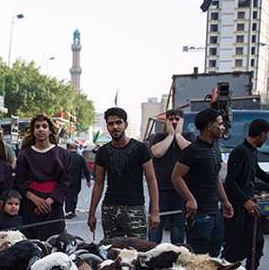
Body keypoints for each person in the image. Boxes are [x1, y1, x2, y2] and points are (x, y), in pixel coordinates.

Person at [222, 118, 269, 270]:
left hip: (249, 206)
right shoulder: (240, 152)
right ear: (262, 134)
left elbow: (257, 171)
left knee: (256, 244)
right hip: (238, 207)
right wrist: (245, 201)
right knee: (237, 247)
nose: (266, 139)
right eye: (266, 136)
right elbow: (230, 182)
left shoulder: (251, 151)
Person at [88, 107, 160, 240]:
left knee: (138, 253)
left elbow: (151, 180)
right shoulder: (103, 152)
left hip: (135, 208)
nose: (115, 127)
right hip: (110, 209)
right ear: (107, 127)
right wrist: (91, 214)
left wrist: (155, 211)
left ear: (125, 124)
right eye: (111, 124)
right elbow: (98, 184)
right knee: (112, 254)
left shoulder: (140, 149)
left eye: (119, 122)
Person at [171, 108, 234, 257]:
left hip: (215, 212)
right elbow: (176, 176)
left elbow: (215, 176)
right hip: (199, 214)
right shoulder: (193, 150)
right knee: (198, 258)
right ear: (209, 126)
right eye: (219, 124)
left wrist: (225, 201)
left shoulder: (215, 148)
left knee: (214, 255)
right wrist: (190, 199)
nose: (222, 127)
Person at [15, 114, 71, 241]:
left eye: (44, 126)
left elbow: (65, 182)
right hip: (30, 206)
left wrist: (49, 201)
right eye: (37, 127)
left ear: (50, 130)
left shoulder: (62, 154)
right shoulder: (24, 154)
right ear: (33, 131)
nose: (41, 129)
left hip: (53, 207)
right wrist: (35, 200)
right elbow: (19, 181)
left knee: (54, 245)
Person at [148, 109, 192, 244]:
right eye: (171, 119)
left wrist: (178, 135)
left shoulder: (189, 136)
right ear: (166, 121)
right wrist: (171, 135)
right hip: (159, 192)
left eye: (177, 119)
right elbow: (158, 153)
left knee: (178, 231)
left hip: (180, 192)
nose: (174, 122)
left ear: (183, 121)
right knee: (155, 231)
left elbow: (190, 150)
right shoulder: (158, 137)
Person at [63, 143, 91, 218]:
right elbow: (85, 169)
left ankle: (69, 211)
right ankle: (73, 210)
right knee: (75, 195)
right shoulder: (80, 157)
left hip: (66, 180)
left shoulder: (65, 157)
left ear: (68, 148)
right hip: (77, 180)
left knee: (68, 196)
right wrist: (88, 180)